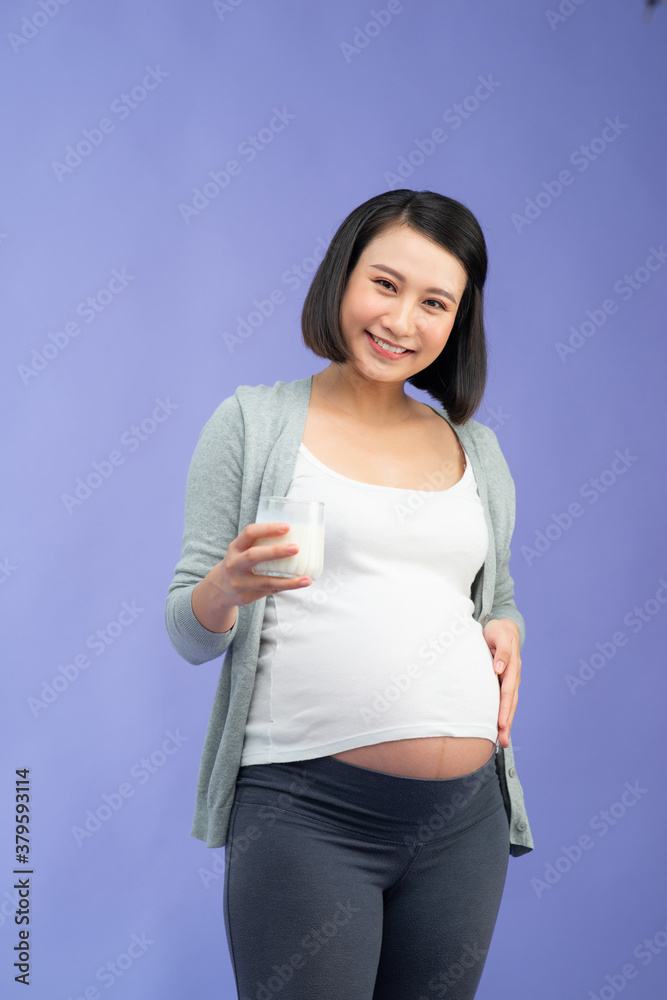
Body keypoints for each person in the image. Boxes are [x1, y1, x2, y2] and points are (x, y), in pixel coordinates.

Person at [165, 188, 534, 1000]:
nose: (402, 321)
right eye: (385, 284)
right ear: (341, 279)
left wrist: (506, 625)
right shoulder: (254, 424)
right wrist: (227, 585)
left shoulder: (477, 449)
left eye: (434, 302)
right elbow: (189, 629)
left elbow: (492, 594)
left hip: (462, 826)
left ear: (457, 321)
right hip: (305, 816)